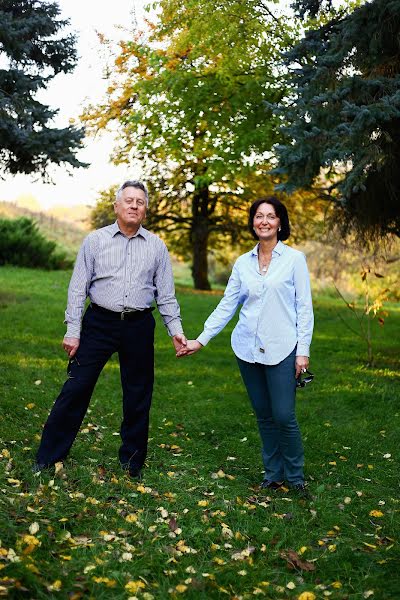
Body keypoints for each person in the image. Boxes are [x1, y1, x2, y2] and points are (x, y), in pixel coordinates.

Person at [34, 180, 186, 478]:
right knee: (75, 388)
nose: (133, 205)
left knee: (138, 394)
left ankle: (132, 463)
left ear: (145, 210)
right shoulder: (95, 241)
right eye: (128, 200)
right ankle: (47, 458)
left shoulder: (156, 246)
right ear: (116, 206)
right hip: (99, 324)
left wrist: (176, 330)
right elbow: (78, 289)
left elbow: (166, 295)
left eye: (139, 202)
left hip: (139, 326)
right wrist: (72, 330)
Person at [178, 196, 314, 493]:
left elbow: (304, 308)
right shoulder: (242, 263)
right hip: (246, 348)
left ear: (280, 222)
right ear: (253, 222)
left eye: (271, 216)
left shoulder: (294, 260)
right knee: (264, 415)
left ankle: (295, 477)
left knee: (283, 415)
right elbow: (228, 305)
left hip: (282, 348)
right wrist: (201, 339)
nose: (264, 221)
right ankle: (273, 474)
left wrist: (302, 351)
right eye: (258, 216)